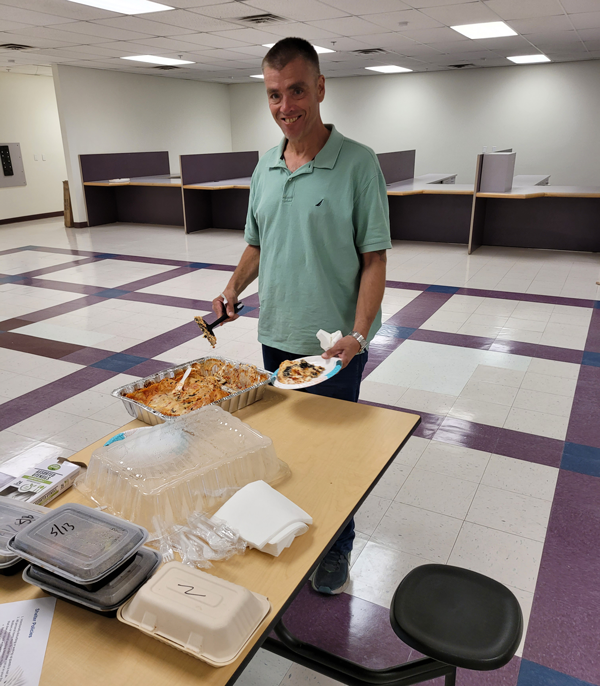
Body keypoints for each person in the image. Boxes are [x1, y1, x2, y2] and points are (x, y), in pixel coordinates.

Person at [212, 37, 391, 594]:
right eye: (272, 95)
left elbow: (374, 258)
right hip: (277, 338)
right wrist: (231, 289)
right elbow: (258, 243)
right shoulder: (264, 166)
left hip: (336, 347)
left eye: (295, 91)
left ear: (319, 87)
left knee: (334, 457)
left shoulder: (358, 163)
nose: (284, 106)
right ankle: (289, 531)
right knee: (284, 452)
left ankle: (338, 548)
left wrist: (358, 335)